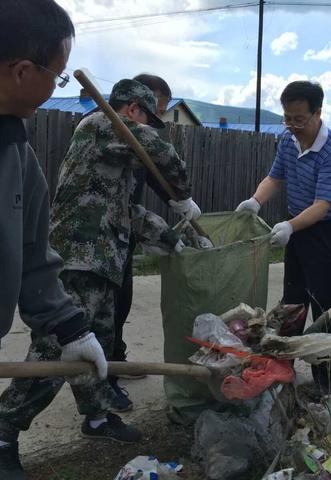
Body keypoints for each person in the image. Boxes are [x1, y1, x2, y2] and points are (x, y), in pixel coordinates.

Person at [0, 1, 108, 478]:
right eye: (56, 76)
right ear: (23, 70)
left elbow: (33, 256)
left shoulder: (18, 156)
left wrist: (70, 329)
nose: (55, 87)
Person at [236, 80, 331, 395]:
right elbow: (275, 176)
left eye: (299, 118)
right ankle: (283, 369)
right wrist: (256, 201)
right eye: (287, 117)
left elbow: (323, 205)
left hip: (328, 230)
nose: (292, 125)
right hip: (298, 225)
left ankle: (327, 381)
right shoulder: (288, 140)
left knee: (326, 305)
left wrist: (289, 227)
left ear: (318, 113)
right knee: (293, 301)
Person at [106, 74, 200, 412]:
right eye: (154, 111)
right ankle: (104, 386)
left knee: (121, 301)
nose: (156, 120)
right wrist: (182, 196)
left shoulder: (128, 132)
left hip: (122, 230)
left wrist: (177, 204)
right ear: (137, 105)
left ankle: (114, 362)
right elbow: (161, 158)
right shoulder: (107, 127)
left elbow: (150, 179)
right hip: (100, 241)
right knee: (106, 311)